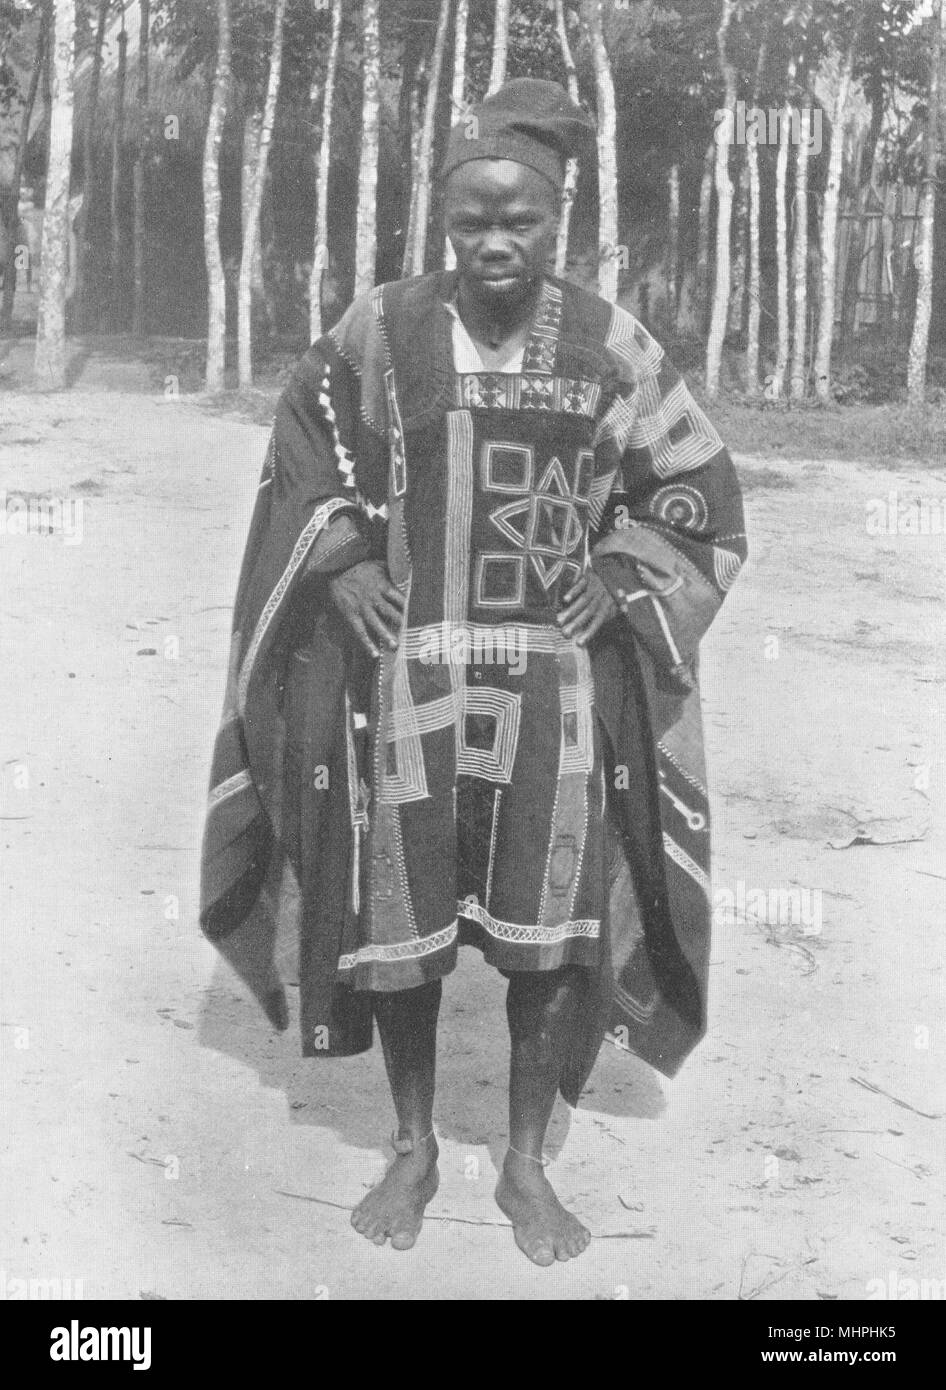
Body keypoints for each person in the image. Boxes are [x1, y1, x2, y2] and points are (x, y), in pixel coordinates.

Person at [199, 78, 747, 1266]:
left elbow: (696, 497)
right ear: (439, 220)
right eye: (469, 222)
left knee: (551, 930)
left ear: (560, 220)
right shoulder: (380, 329)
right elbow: (307, 443)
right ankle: (411, 1140)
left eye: (520, 221)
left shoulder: (613, 344)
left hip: (556, 686)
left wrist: (626, 565)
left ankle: (526, 1162)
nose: (493, 243)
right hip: (409, 676)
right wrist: (339, 553)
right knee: (400, 916)